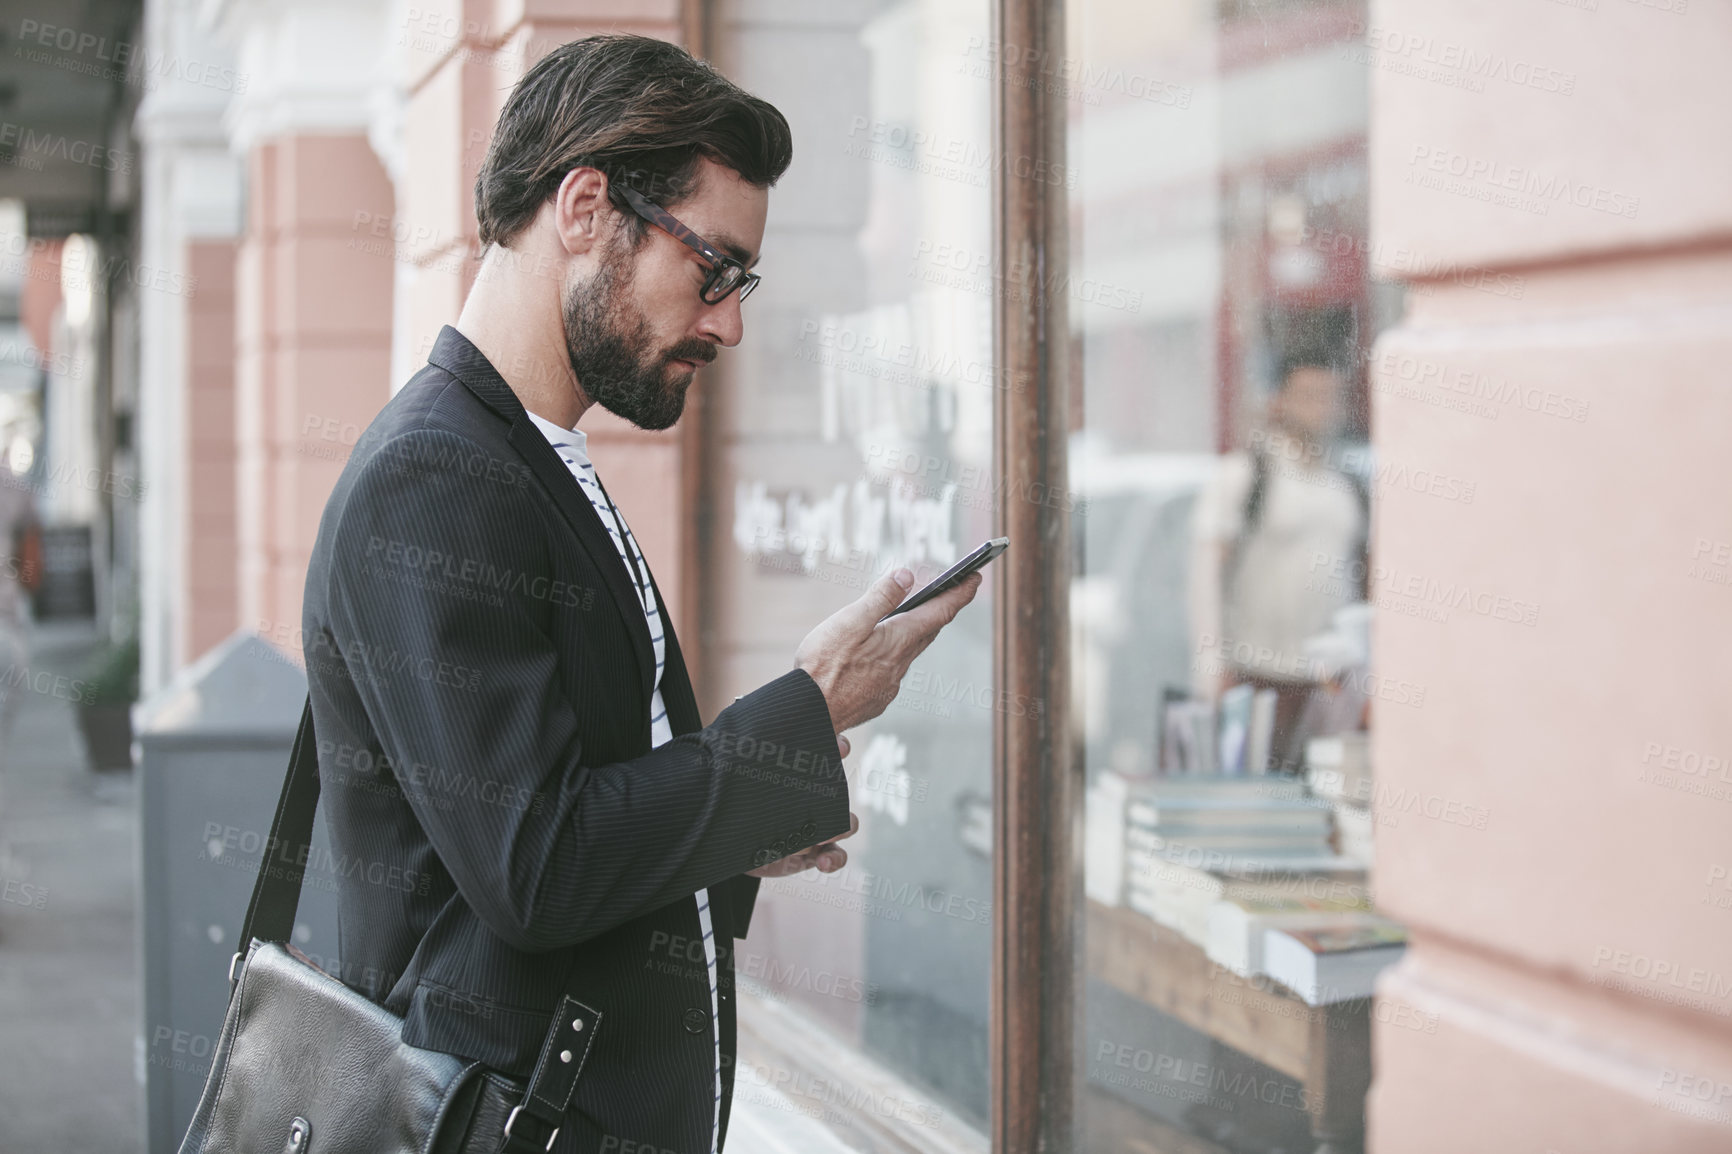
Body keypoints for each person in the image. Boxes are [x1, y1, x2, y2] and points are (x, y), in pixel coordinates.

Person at [299, 35, 980, 1154]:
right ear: (583, 208)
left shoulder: (524, 456)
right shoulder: (437, 475)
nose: (728, 322)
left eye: (742, 283)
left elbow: (566, 812)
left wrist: (734, 832)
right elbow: (540, 870)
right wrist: (810, 707)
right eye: (713, 269)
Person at [1189, 352, 1367, 772]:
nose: (1321, 407)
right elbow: (1206, 575)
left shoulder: (1346, 485)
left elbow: (1361, 576)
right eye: (1308, 395)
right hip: (1257, 673)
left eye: (1330, 396)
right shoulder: (1245, 475)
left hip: (1329, 682)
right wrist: (1212, 663)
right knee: (1255, 803)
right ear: (1279, 400)